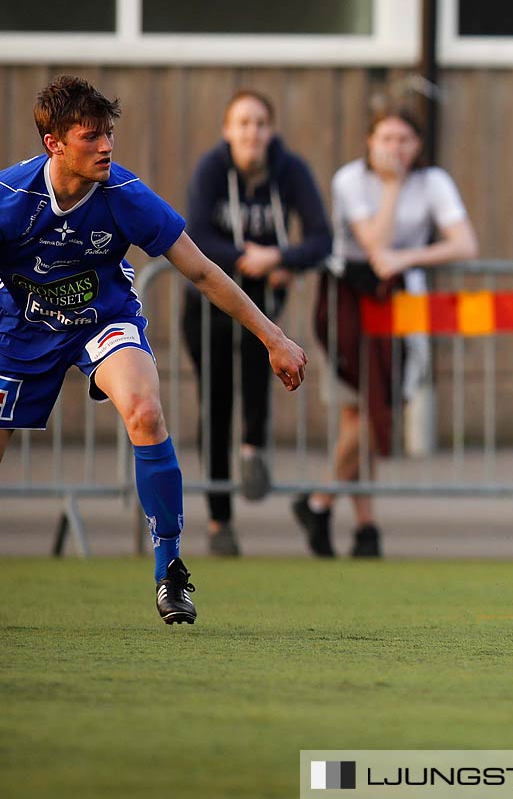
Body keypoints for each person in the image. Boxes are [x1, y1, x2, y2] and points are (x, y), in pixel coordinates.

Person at [0, 76, 308, 623]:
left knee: (144, 410)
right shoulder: (10, 199)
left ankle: (170, 571)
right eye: (91, 136)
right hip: (21, 326)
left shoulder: (125, 195)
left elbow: (204, 272)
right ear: (54, 144)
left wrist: (275, 338)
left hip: (104, 319)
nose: (106, 146)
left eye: (109, 134)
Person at [295, 109, 477, 560]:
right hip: (349, 300)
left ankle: (320, 501)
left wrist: (409, 257)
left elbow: (464, 244)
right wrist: (393, 187)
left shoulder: (433, 181)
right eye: (386, 138)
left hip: (399, 299)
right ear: (369, 141)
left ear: (418, 145)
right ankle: (364, 524)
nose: (395, 148)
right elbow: (375, 246)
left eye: (405, 139)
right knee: (358, 412)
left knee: (379, 405)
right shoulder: (349, 180)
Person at [182, 89, 331, 556]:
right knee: (216, 402)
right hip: (207, 305)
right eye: (243, 123)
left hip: (263, 309)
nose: (252, 132)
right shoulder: (211, 170)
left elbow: (322, 237)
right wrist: (248, 259)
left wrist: (281, 257)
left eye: (260, 123)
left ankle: (253, 451)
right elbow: (197, 235)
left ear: (271, 131)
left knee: (260, 377)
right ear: (228, 131)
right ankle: (219, 521)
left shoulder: (290, 170)